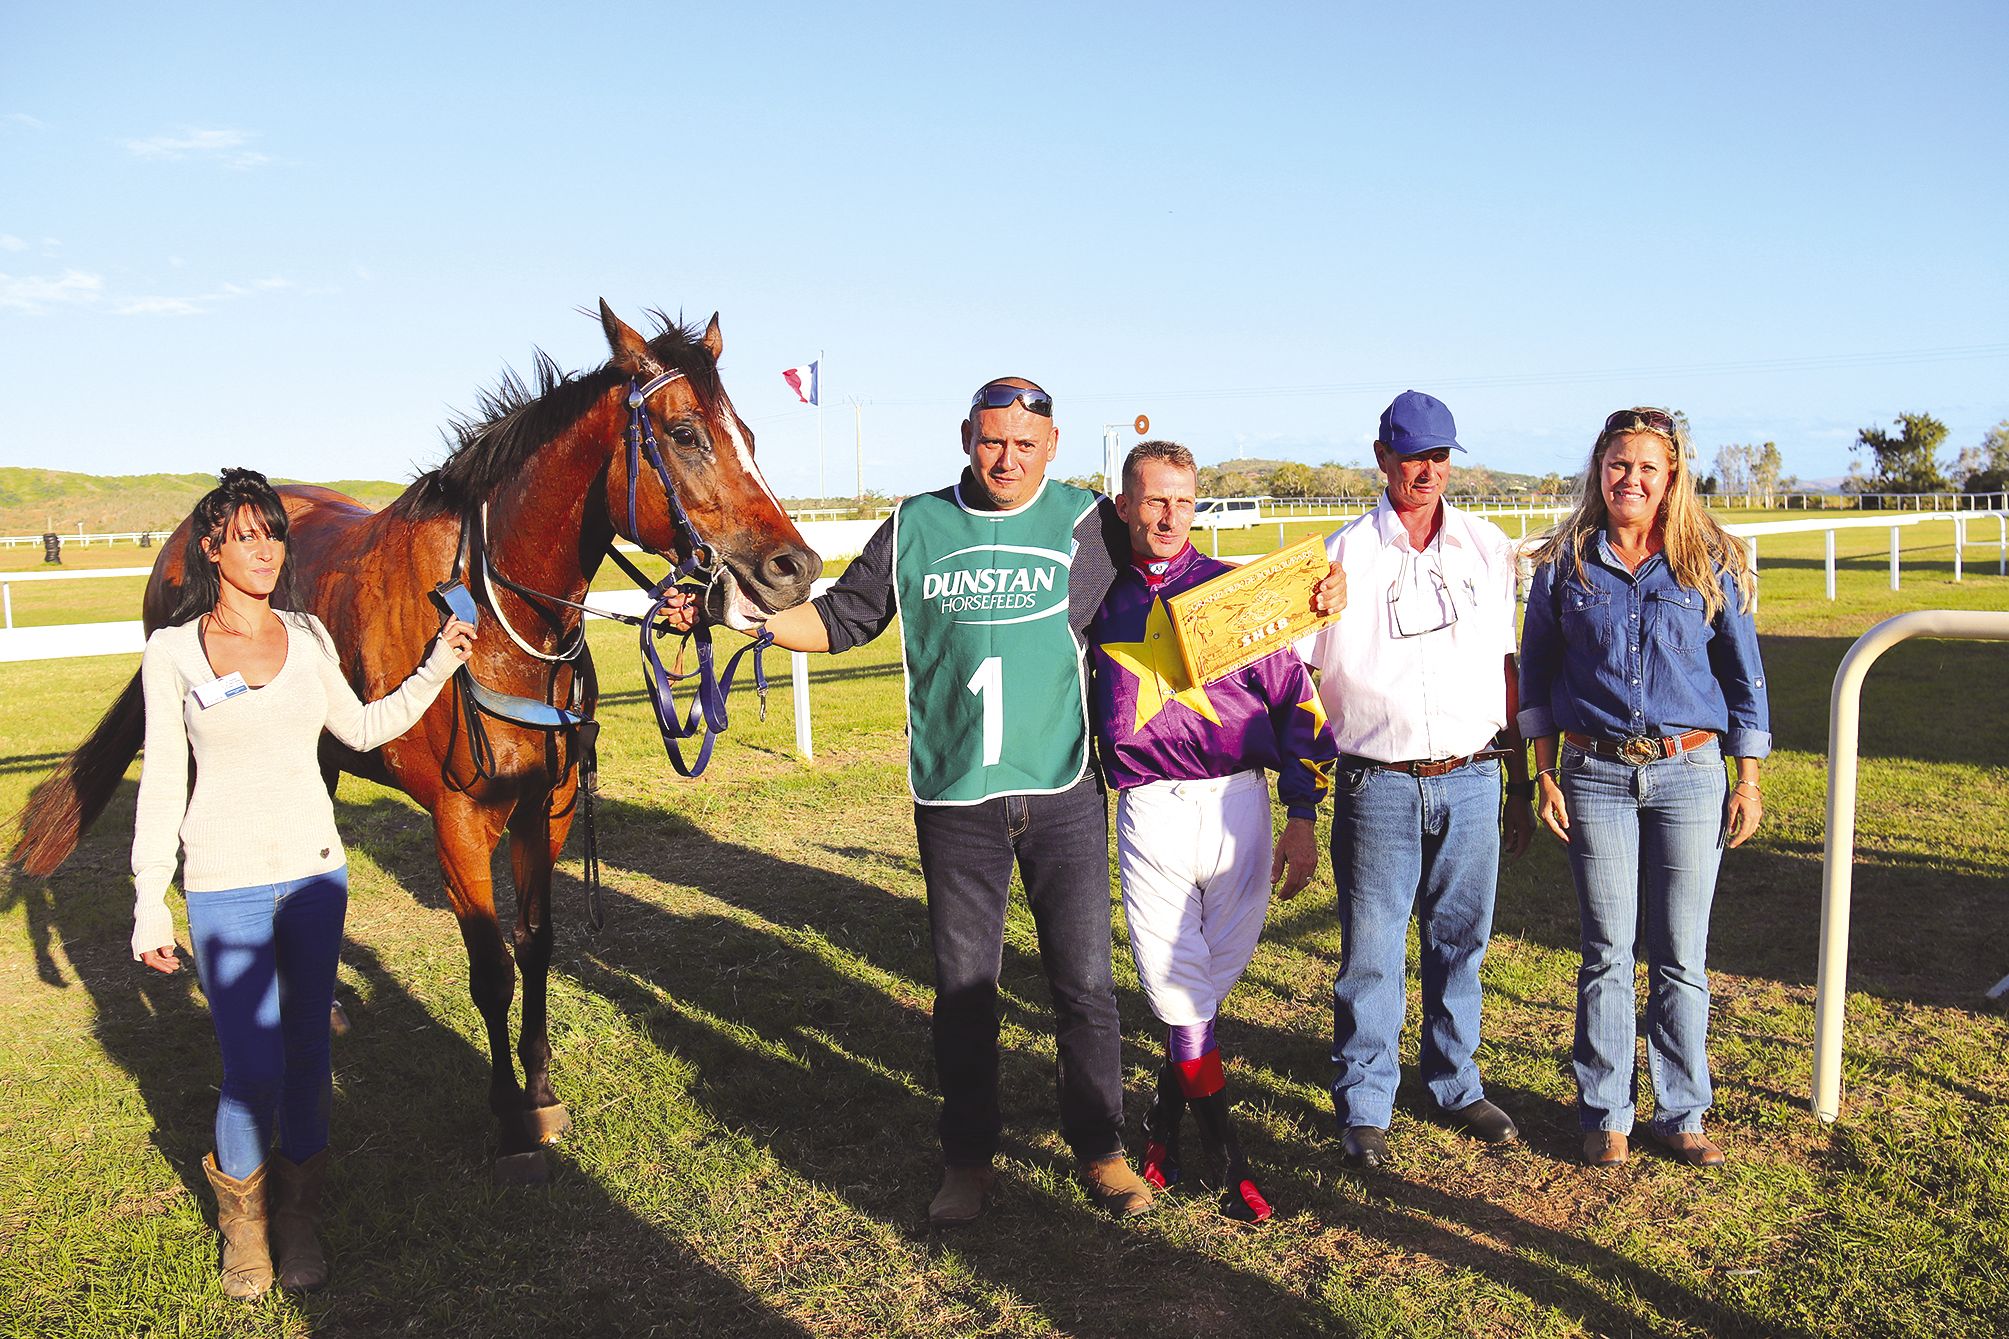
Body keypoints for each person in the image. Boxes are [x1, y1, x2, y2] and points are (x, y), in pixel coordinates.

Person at [753, 378, 1343, 1226]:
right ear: (965, 436)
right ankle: (967, 1158)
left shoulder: (1088, 521)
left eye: (1025, 444)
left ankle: (1101, 1149)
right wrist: (751, 622)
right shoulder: (916, 523)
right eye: (992, 441)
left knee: (1085, 987)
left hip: (1064, 789)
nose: (1007, 458)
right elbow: (845, 618)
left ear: (1054, 444)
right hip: (955, 795)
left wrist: (1317, 599)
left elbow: (1186, 581)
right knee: (965, 990)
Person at [131, 468, 474, 1298]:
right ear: (210, 548)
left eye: (271, 533)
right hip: (224, 885)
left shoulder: (309, 635)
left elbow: (360, 728)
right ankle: (242, 1227)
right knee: (250, 1065)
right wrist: (149, 897)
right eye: (243, 534)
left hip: (316, 881)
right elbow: (163, 782)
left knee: (309, 1054)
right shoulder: (173, 653)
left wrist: (436, 665)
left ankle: (297, 1215)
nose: (262, 548)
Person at [1088, 440, 1338, 1222]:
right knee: (1181, 993)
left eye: (1183, 501)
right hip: (1149, 804)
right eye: (1152, 500)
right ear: (1123, 504)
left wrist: (1302, 814)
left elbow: (1297, 703)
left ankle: (1160, 1133)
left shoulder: (1237, 595)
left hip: (1239, 802)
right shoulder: (1092, 596)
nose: (1167, 516)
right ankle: (1232, 1165)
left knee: (1206, 987)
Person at [1518, 407, 1768, 1170]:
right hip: (1592, 773)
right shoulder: (1564, 564)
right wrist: (1542, 772)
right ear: (1598, 471)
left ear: (1671, 478)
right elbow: (1535, 674)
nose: (1630, 478)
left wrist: (1747, 778)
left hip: (1689, 772)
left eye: (1646, 467)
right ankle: (1606, 1111)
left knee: (1680, 953)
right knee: (1604, 949)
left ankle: (1681, 1109)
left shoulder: (1708, 560)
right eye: (1617, 464)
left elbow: (1742, 677)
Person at [1298, 390, 1533, 1169]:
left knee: (1459, 941)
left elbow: (1508, 667)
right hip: (1378, 783)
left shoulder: (1487, 548)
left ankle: (1455, 1081)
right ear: (1381, 457)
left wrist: (1519, 774)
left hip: (1470, 776)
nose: (1425, 470)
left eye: (1438, 456)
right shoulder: (1337, 558)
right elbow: (1296, 679)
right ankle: (1365, 1100)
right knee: (1371, 949)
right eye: (1411, 455)